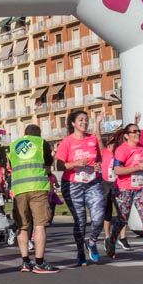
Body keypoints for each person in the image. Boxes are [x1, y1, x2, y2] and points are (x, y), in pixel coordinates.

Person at [105, 124, 143, 262]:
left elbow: (141, 166)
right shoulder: (121, 150)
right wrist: (137, 167)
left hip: (142, 187)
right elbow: (118, 170)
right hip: (125, 189)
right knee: (122, 219)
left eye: (139, 131)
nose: (138, 133)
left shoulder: (142, 148)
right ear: (126, 135)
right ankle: (111, 241)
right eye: (134, 131)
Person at [55, 109, 105, 266]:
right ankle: (80, 253)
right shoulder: (67, 142)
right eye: (80, 120)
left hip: (92, 183)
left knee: (99, 218)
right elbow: (59, 165)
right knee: (80, 221)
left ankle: (92, 242)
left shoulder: (92, 139)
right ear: (73, 123)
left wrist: (97, 165)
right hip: (72, 184)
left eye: (86, 120)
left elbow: (100, 158)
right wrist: (76, 163)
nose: (84, 122)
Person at [7, 124, 59, 274]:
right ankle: (39, 263)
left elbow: (10, 166)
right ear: (39, 134)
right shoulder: (40, 143)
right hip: (37, 186)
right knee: (39, 224)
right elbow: (48, 165)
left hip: (18, 189)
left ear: (25, 133)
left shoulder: (13, 145)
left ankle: (25, 262)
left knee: (22, 226)